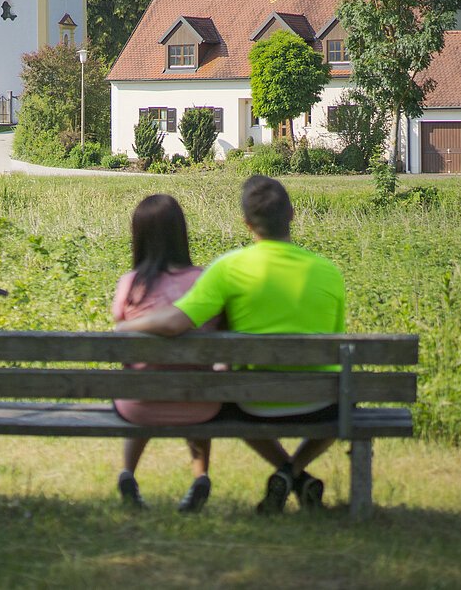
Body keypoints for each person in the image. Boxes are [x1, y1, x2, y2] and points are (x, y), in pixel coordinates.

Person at [115, 175, 345, 515]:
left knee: (228, 401)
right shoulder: (330, 272)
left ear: (247, 223)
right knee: (345, 406)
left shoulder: (228, 268)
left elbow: (177, 321)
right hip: (322, 403)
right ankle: (292, 471)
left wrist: (126, 326)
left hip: (256, 403)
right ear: (292, 215)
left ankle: (289, 473)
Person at [112, 193, 223, 514]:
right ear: (181, 234)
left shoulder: (130, 284)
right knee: (195, 382)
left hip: (139, 407)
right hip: (199, 405)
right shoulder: (204, 281)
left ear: (139, 236)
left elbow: (120, 332)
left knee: (142, 381)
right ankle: (200, 475)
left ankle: (127, 472)